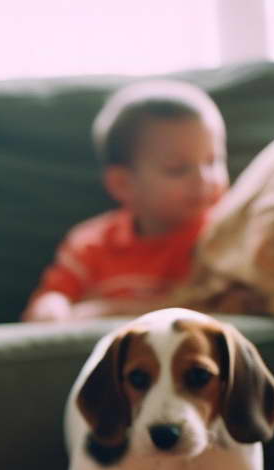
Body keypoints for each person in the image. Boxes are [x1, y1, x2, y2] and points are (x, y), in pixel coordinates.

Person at [22, 80, 228, 323]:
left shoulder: (225, 235)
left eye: (212, 161)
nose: (203, 179)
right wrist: (53, 310)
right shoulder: (89, 245)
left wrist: (111, 311)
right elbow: (50, 301)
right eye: (177, 169)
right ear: (123, 184)